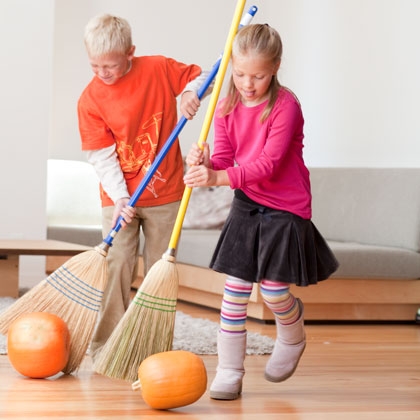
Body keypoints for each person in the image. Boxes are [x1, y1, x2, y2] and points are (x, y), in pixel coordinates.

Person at [184, 24, 338, 400]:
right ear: (231, 68)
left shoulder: (286, 106)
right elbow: (223, 157)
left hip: (285, 205)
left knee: (272, 290)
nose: (247, 84)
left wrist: (218, 177)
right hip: (248, 204)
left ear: (276, 68)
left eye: (258, 76)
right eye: (239, 74)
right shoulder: (225, 105)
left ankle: (292, 329)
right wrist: (205, 162)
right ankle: (230, 371)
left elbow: (268, 164)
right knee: (235, 291)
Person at [78, 13, 211, 360]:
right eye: (95, 66)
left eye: (111, 65)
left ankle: (153, 348)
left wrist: (188, 93)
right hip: (118, 195)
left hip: (166, 192)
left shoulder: (157, 69)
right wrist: (121, 197)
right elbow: (102, 158)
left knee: (159, 272)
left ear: (130, 53)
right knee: (118, 262)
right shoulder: (90, 100)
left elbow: (203, 78)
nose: (103, 73)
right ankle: (105, 346)